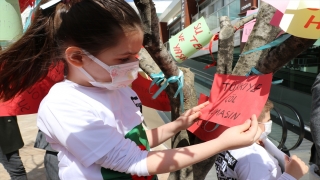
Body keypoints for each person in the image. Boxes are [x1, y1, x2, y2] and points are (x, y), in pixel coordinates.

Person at [0, 0, 262, 179]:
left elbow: (134, 142)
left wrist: (177, 125)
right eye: (123, 59)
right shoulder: (64, 106)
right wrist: (222, 143)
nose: (135, 65)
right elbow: (133, 162)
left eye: (136, 55)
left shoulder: (120, 89)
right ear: (77, 58)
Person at [214, 100, 309, 180]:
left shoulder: (226, 140)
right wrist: (291, 176)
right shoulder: (254, 159)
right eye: (268, 121)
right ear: (252, 124)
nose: (269, 123)